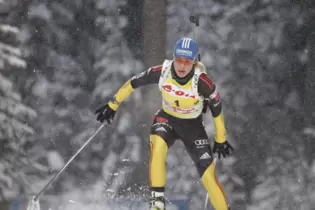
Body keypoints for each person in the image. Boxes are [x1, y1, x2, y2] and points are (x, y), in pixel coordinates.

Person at [95, 37, 234, 210]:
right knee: (158, 148)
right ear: (174, 58)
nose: (182, 66)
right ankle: (157, 204)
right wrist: (112, 105)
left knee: (208, 178)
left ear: (194, 62)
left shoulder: (203, 82)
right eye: (179, 60)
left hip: (193, 127)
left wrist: (221, 139)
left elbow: (217, 110)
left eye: (187, 62)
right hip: (167, 119)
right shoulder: (163, 72)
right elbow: (133, 83)